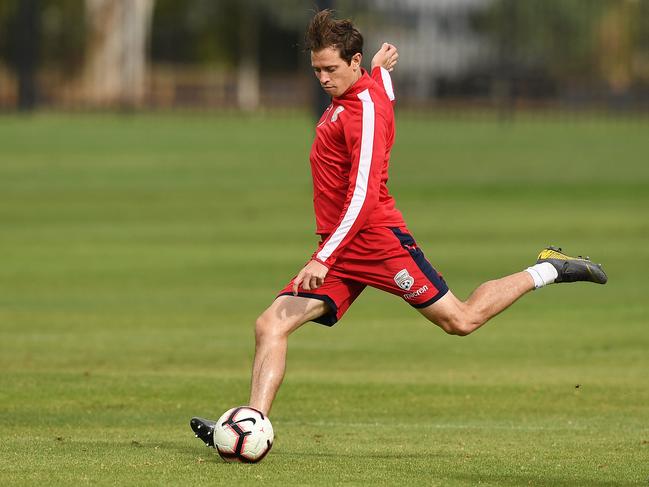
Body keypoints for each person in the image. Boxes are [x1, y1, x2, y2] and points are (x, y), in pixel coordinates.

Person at [190, 9, 607, 447]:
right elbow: (383, 99)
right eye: (316, 70)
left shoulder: (361, 111)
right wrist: (379, 72)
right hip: (342, 249)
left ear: (352, 63)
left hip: (376, 243)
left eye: (331, 69)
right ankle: (249, 426)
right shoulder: (356, 95)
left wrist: (322, 257)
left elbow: (364, 197)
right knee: (269, 325)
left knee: (461, 320)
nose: (323, 79)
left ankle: (549, 268)